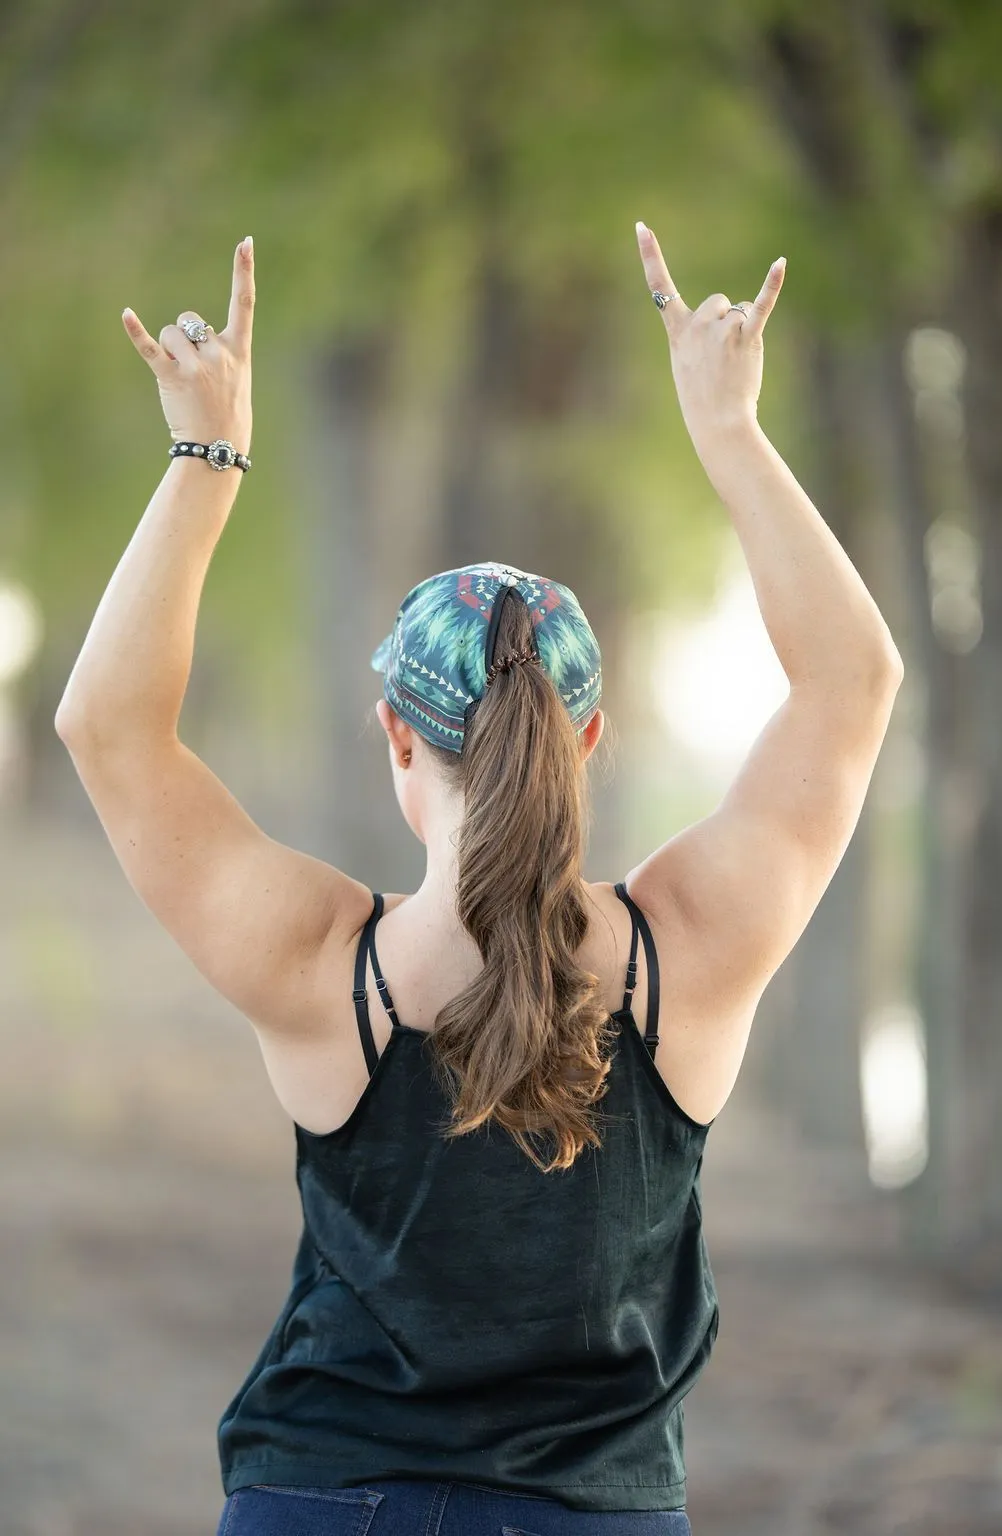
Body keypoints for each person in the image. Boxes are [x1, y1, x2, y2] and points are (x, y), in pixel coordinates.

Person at [54, 224, 904, 1536]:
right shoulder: (692, 947)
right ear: (591, 744)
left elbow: (107, 725)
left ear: (397, 732)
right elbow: (854, 682)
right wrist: (729, 429)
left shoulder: (322, 967)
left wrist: (206, 456)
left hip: (321, 1506)